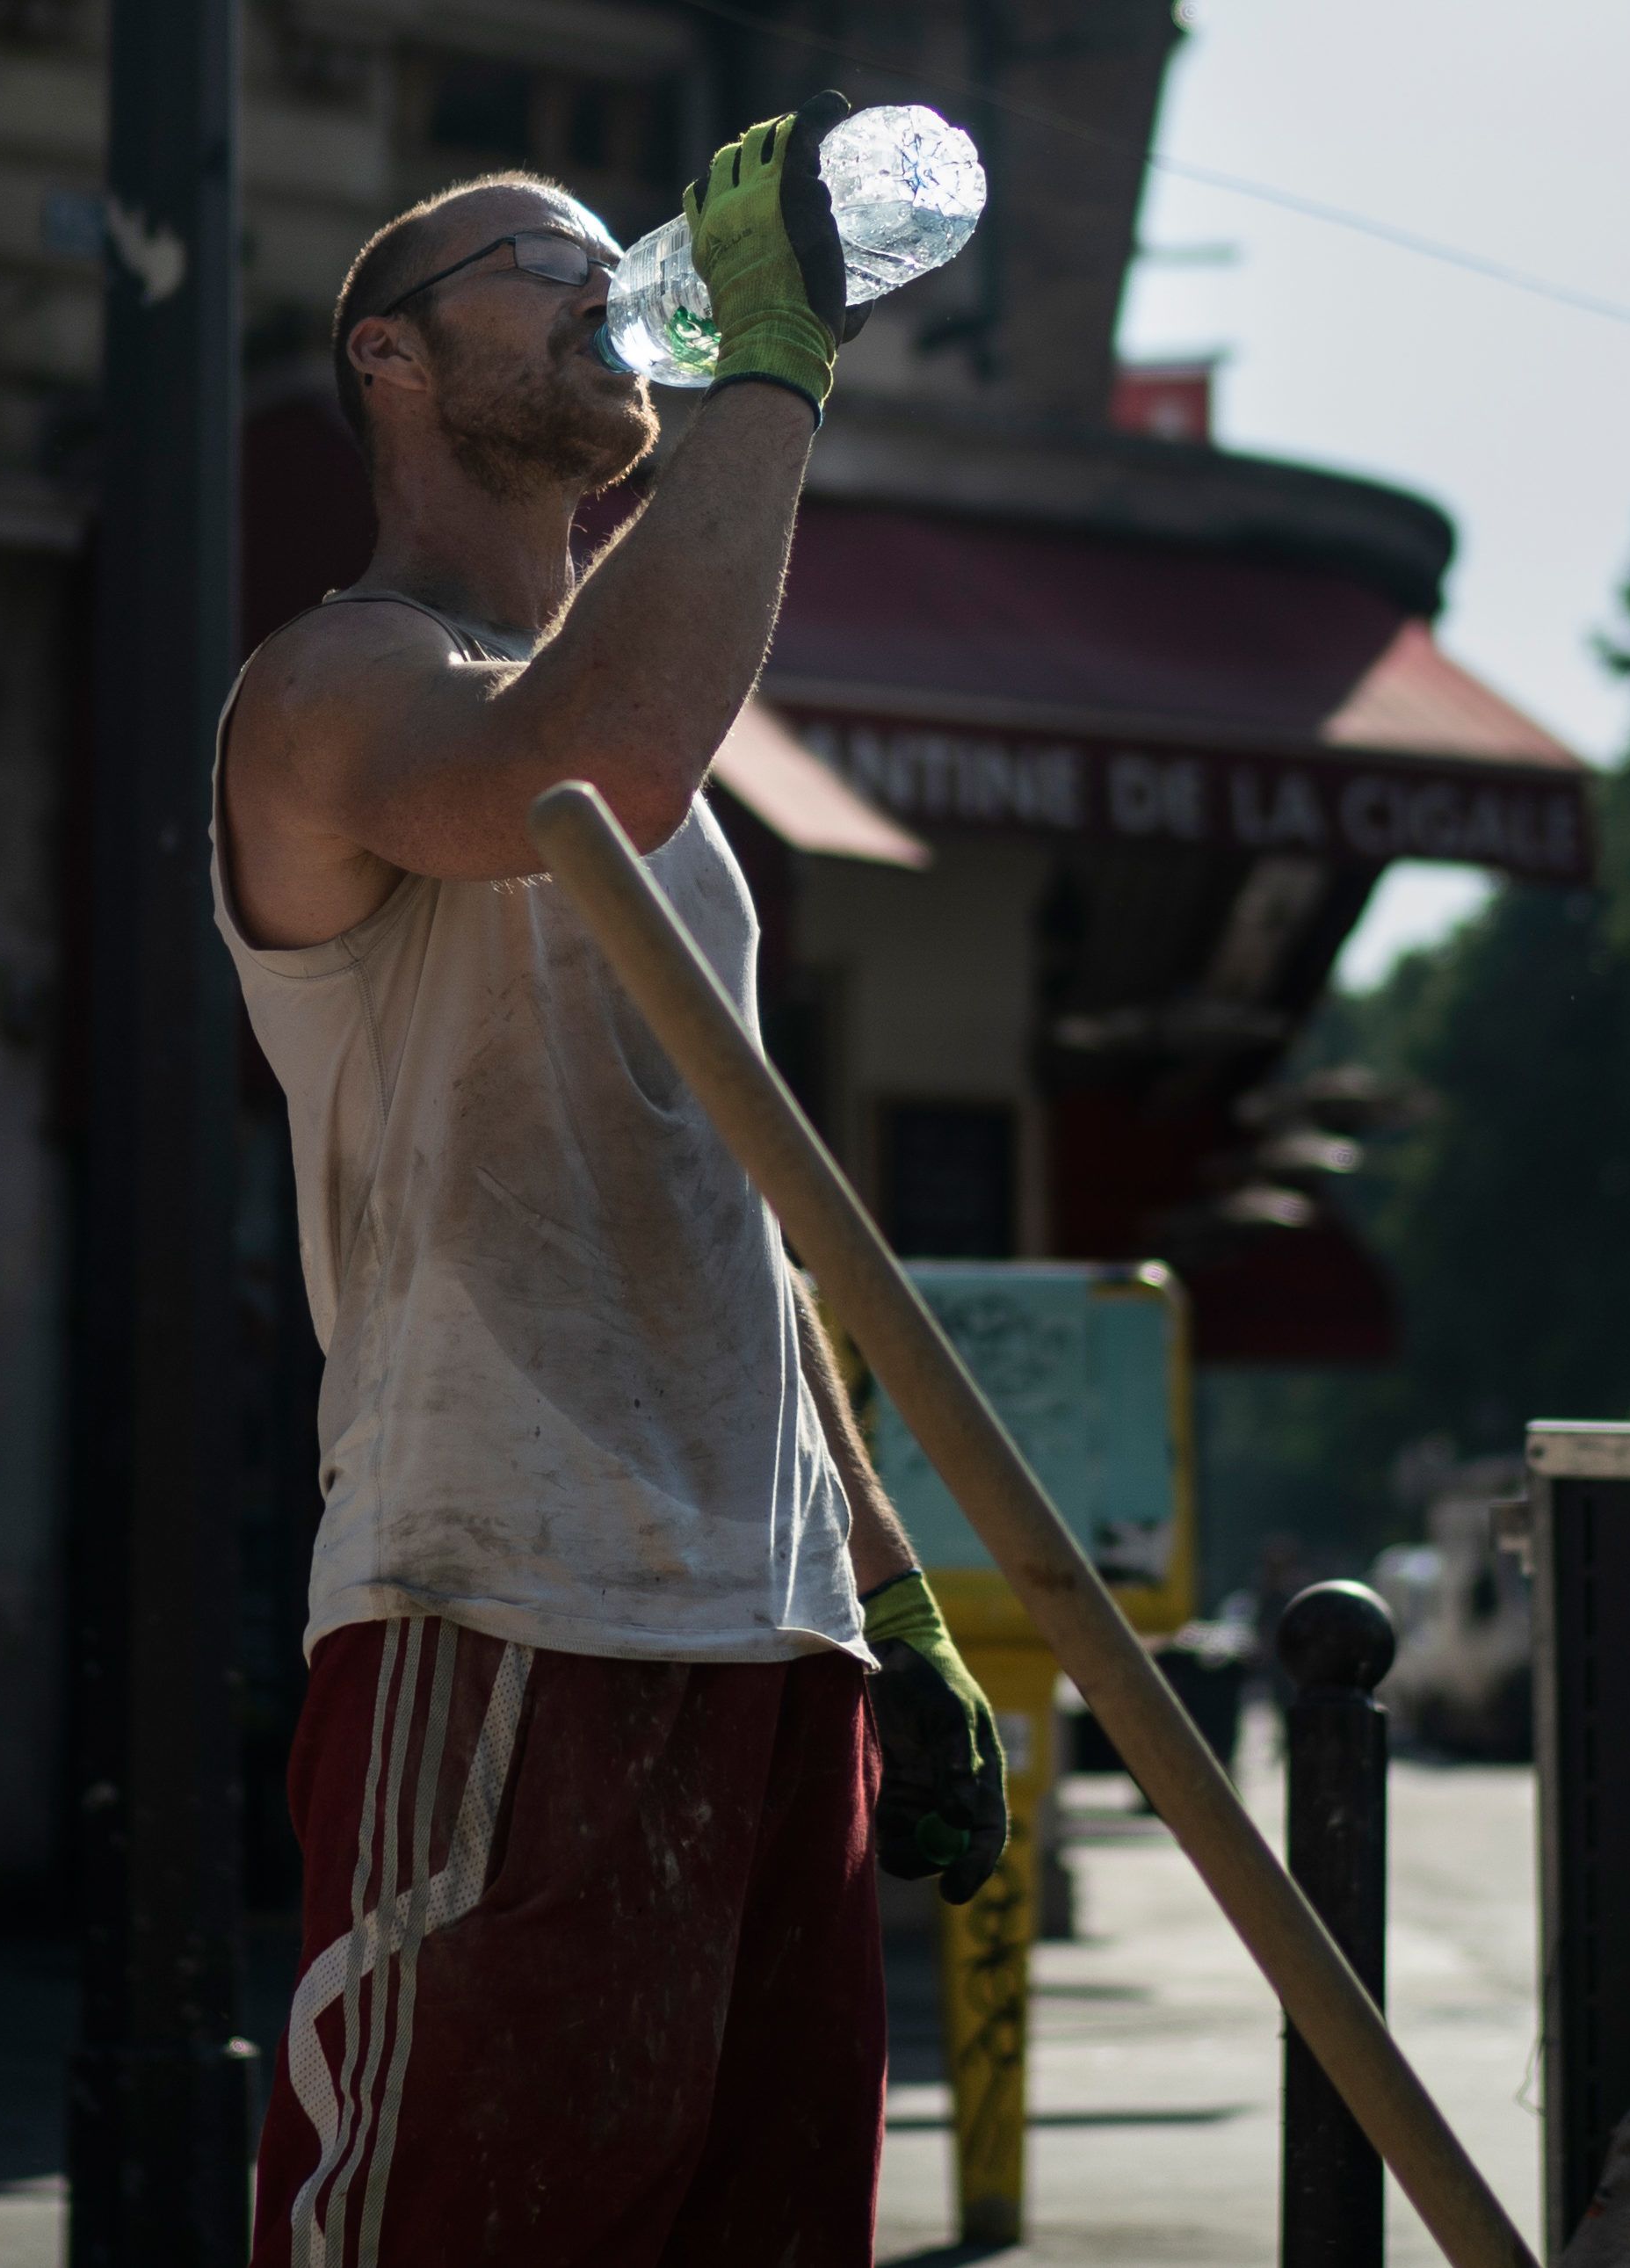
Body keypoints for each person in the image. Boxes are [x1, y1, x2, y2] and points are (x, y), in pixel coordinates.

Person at [214, 98, 1011, 2268]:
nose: (603, 287)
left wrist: (885, 1577)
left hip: (769, 1634)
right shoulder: (331, 687)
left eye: (611, 259)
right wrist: (779, 365)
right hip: (508, 1598)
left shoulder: (649, 773)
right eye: (538, 267)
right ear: (389, 354)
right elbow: (589, 760)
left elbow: (735, 1194)